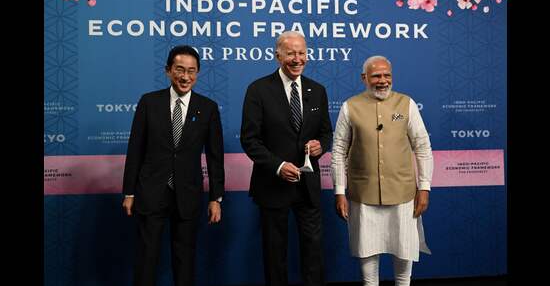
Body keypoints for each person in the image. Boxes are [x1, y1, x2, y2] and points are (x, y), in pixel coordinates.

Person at [122, 45, 225, 286]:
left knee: (185, 260)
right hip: (151, 191)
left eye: (192, 71)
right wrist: (129, 191)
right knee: (146, 259)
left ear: (197, 73)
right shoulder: (149, 102)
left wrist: (215, 198)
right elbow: (135, 149)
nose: (185, 77)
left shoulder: (208, 108)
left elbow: (214, 156)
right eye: (179, 69)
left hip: (188, 194)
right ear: (168, 71)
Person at [240, 31, 333, 286]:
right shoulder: (258, 89)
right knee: (274, 252)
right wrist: (278, 166)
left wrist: (320, 146)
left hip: (308, 187)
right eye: (290, 53)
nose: (297, 59)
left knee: (313, 251)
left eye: (301, 53)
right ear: (277, 54)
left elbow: (326, 133)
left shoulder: (318, 90)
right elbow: (250, 140)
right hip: (272, 185)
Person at [331, 56, 433, 286]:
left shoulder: (405, 105)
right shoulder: (350, 107)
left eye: (387, 75)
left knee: (404, 257)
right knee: (368, 261)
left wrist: (424, 187)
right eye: (376, 75)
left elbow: (423, 147)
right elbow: (338, 151)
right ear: (364, 78)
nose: (382, 81)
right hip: (363, 196)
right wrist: (339, 191)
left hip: (403, 194)